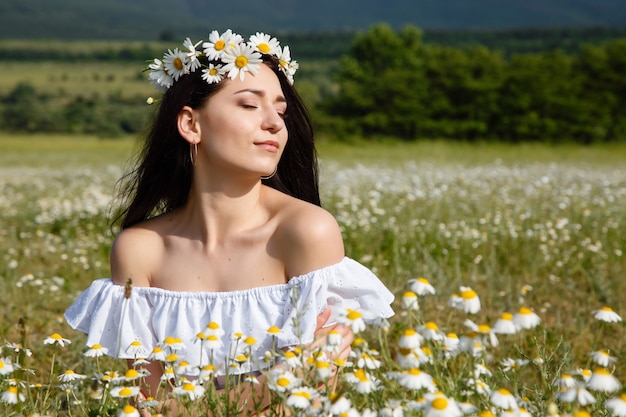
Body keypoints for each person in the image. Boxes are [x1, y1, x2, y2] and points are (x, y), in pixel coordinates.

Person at [64, 29, 394, 412]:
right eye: (250, 106)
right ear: (191, 124)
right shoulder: (140, 250)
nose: (274, 123)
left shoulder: (305, 232)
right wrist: (279, 380)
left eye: (280, 111)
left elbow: (314, 395)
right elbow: (149, 406)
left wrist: (194, 408)